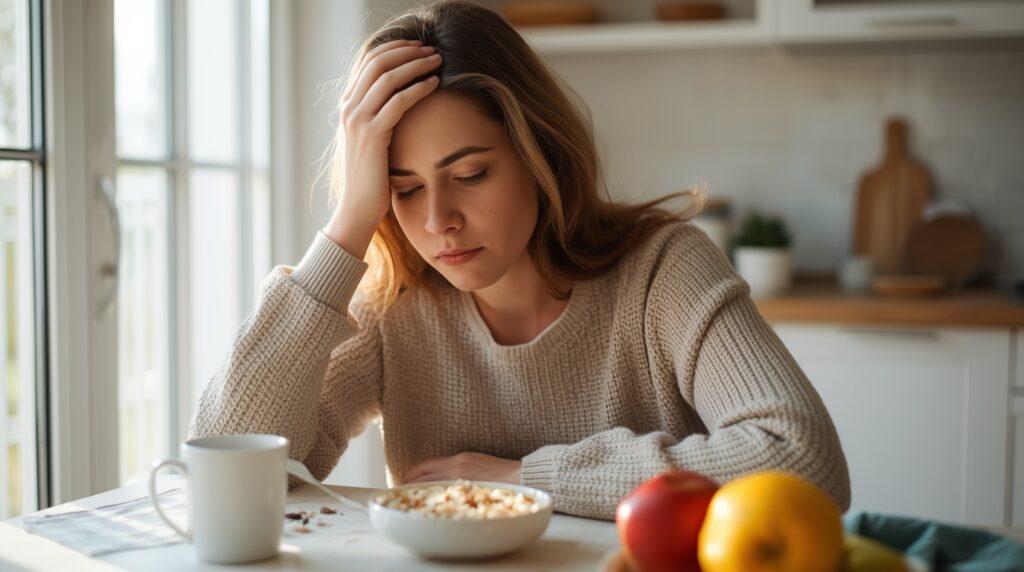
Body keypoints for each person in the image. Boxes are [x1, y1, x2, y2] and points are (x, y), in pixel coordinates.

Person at [189, 0, 850, 520]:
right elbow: (227, 472)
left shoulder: (663, 272)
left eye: (470, 173)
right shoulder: (396, 307)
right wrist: (348, 224)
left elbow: (804, 461)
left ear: (540, 156)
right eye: (404, 188)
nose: (437, 220)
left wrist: (522, 478)